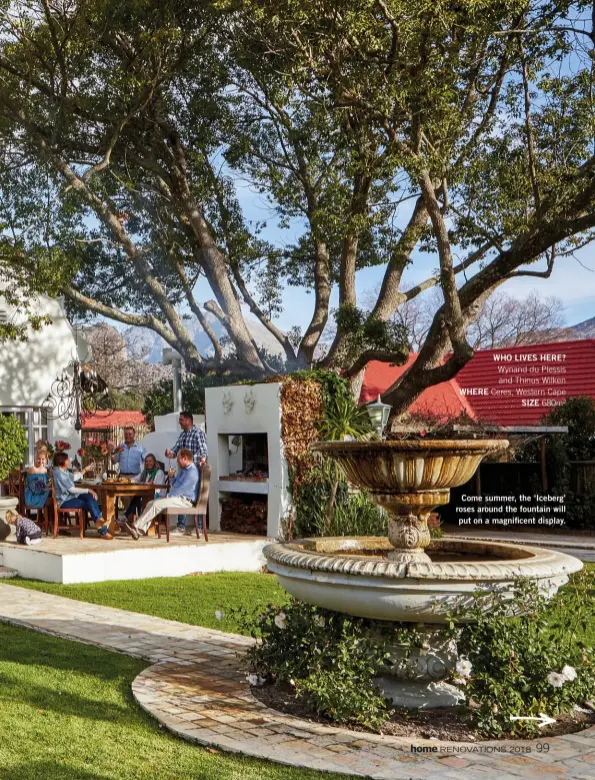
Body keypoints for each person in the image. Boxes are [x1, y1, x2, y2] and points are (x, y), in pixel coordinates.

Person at [122, 448, 198, 540]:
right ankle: (139, 530)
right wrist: (171, 477)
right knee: (150, 503)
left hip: (185, 500)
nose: (177, 461)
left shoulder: (192, 472)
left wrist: (167, 497)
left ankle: (135, 527)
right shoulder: (183, 470)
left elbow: (181, 490)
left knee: (156, 504)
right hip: (177, 498)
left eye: (178, 458)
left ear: (184, 458)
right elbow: (174, 484)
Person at [52, 453, 113, 539]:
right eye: (67, 459)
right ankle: (102, 530)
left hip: (72, 497)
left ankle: (100, 522)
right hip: (64, 501)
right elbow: (71, 490)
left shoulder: (63, 471)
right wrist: (88, 489)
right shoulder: (58, 474)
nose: (69, 461)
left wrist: (86, 469)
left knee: (90, 497)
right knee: (88, 502)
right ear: (62, 461)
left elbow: (73, 477)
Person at [164, 412, 207, 533]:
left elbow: (203, 451)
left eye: (181, 420)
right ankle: (181, 526)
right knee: (181, 494)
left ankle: (199, 527)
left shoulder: (198, 433)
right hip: (184, 471)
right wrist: (170, 453)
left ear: (188, 420)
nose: (179, 422)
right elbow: (176, 449)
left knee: (197, 496)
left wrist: (194, 461)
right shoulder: (183, 435)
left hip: (196, 470)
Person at [124, 453, 166, 522]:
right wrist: (128, 480)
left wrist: (147, 485)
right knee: (138, 496)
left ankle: (129, 517)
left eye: (150, 461)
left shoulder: (159, 473)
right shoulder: (145, 473)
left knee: (138, 497)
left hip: (158, 495)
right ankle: (133, 519)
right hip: (147, 494)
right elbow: (135, 479)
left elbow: (159, 488)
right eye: (146, 461)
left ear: (154, 462)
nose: (148, 463)